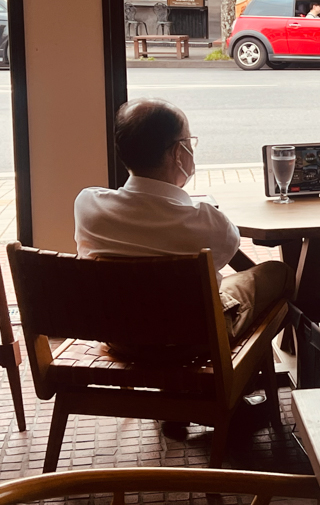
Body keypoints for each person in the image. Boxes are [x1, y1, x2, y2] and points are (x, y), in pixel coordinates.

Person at [74, 98, 294, 354]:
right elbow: (229, 246)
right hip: (195, 340)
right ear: (178, 153)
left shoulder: (88, 205)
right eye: (189, 141)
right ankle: (245, 373)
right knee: (280, 273)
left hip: (118, 337)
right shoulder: (208, 223)